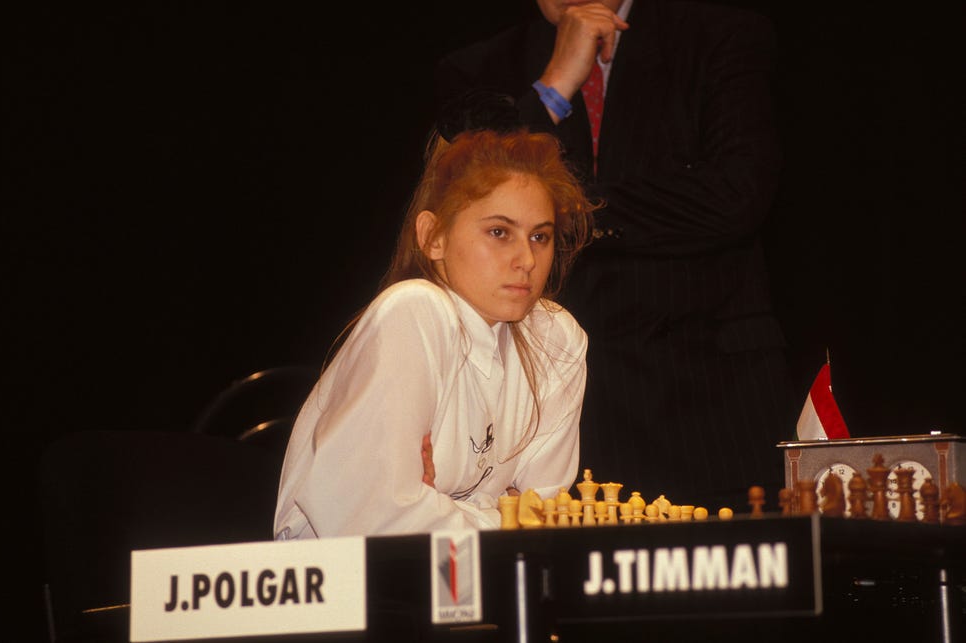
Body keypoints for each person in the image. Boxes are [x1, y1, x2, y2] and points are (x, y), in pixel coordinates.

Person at [435, 0, 796, 511]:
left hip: (712, 396)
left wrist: (567, 214)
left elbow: (737, 195)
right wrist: (555, 85)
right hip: (563, 409)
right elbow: (473, 200)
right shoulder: (478, 68)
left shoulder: (722, 33)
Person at [274, 116, 597, 538]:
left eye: (540, 237)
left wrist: (432, 503)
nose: (527, 260)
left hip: (468, 583)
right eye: (499, 232)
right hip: (343, 590)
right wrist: (500, 513)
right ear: (433, 236)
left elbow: (545, 527)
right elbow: (372, 522)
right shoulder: (414, 310)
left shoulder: (557, 339)